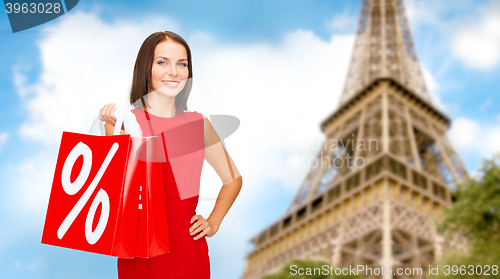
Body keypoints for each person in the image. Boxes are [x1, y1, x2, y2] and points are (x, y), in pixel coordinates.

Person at [98, 31, 243, 278]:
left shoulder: (198, 125)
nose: (174, 72)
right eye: (162, 62)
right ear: (146, 67)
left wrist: (213, 222)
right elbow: (114, 192)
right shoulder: (122, 123)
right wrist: (115, 134)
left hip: (188, 250)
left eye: (182, 64)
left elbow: (233, 179)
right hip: (139, 250)